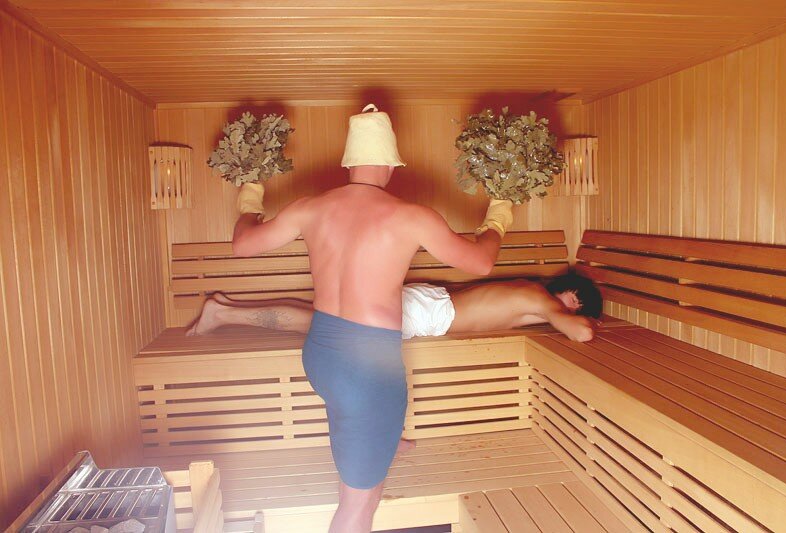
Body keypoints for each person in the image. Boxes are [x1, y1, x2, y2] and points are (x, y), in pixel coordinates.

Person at [227, 104, 511, 533]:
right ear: (391, 165)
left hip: (322, 354)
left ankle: (379, 439)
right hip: (368, 371)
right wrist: (499, 217)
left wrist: (250, 194)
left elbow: (243, 245)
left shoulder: (310, 208)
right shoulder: (411, 216)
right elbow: (481, 262)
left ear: (349, 163)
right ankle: (371, 448)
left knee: (355, 413)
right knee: (359, 507)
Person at [187, 273, 602, 343]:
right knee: (322, 326)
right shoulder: (543, 300)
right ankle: (222, 314)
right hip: (425, 314)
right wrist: (576, 319)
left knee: (324, 318)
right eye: (574, 303)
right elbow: (580, 332)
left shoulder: (532, 294)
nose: (568, 311)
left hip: (427, 306)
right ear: (567, 294)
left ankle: (225, 306)